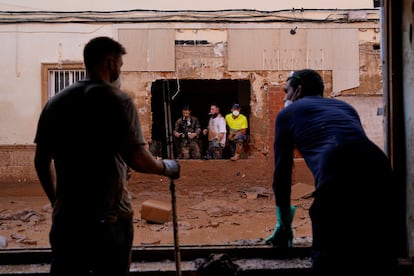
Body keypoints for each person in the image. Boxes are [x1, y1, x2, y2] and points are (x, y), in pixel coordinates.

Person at [33, 36, 180, 276]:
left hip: (67, 221)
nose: (120, 70)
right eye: (120, 65)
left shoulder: (56, 102)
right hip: (109, 222)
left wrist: (56, 202)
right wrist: (166, 167)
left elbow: (41, 161)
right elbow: (137, 159)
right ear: (109, 63)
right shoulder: (117, 100)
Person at [265, 69, 399, 274]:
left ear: (298, 90)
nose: (284, 97)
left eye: (286, 91)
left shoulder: (287, 113)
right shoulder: (345, 107)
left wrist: (283, 223)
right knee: (379, 252)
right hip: (379, 167)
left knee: (329, 256)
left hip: (337, 168)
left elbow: (282, 172)